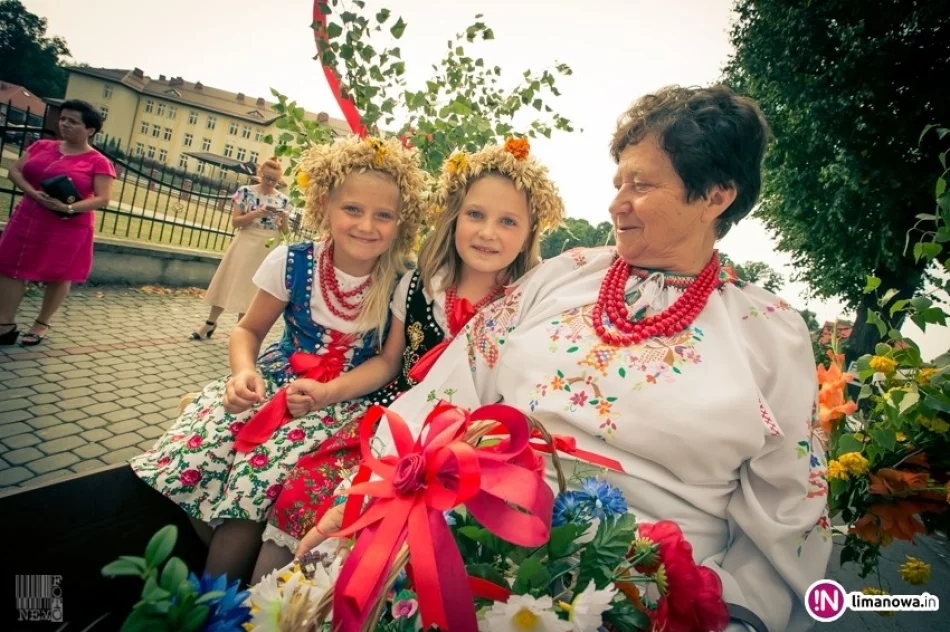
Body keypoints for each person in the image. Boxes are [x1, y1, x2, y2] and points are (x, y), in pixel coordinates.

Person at [301, 86, 832, 632]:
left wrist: (739, 614)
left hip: (647, 590)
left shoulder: (771, 333)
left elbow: (787, 511)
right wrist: (364, 498)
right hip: (471, 535)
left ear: (716, 196)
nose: (616, 202)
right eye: (618, 182)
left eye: (641, 184)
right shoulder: (565, 274)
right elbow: (449, 391)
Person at [250, 139, 566, 579]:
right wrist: (328, 392)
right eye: (475, 214)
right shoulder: (418, 287)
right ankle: (260, 606)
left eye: (508, 221)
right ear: (454, 216)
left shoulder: (525, 306)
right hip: (393, 427)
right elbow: (389, 363)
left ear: (530, 233)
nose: (487, 232)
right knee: (306, 490)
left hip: (469, 452)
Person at [129, 135, 428, 583]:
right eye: (353, 209)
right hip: (274, 381)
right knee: (197, 449)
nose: (367, 225)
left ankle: (227, 597)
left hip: (344, 400)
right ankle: (234, 586)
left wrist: (329, 391)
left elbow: (386, 363)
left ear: (400, 221)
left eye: (383, 215)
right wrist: (243, 373)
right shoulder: (291, 261)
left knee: (262, 468)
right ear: (325, 205)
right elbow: (247, 330)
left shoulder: (402, 280)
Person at [0, 100, 116, 346]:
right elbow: (15, 171)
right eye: (63, 119)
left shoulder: (98, 161)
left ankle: (41, 323)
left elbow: (103, 198)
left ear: (90, 129)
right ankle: (5, 324)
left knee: (59, 274)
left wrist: (68, 207)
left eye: (73, 121)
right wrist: (33, 193)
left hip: (67, 225)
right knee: (9, 266)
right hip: (28, 217)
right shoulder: (42, 146)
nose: (64, 124)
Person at [190, 158, 290, 340]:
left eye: (274, 180)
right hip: (245, 241)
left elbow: (285, 232)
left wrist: (284, 219)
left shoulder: (283, 199)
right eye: (267, 178)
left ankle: (240, 331)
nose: (270, 183)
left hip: (267, 247)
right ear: (260, 174)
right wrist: (256, 213)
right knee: (228, 281)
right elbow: (235, 223)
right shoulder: (244, 192)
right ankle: (210, 323)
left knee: (252, 289)